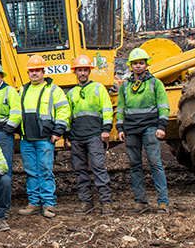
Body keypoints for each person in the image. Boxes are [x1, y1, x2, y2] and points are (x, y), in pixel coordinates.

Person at [117, 48, 171, 214]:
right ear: (131, 66)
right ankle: (140, 202)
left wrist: (161, 127)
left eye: (141, 63)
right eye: (135, 63)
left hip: (150, 128)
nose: (138, 66)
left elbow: (163, 106)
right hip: (131, 129)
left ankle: (163, 202)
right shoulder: (125, 86)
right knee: (135, 166)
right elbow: (121, 108)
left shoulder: (155, 83)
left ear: (146, 64)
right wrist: (120, 128)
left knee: (155, 164)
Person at [17, 55, 70, 219]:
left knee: (45, 171)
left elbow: (63, 111)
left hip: (45, 139)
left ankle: (48, 204)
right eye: (31, 71)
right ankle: (34, 203)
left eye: (37, 70)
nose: (34, 74)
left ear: (43, 71)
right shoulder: (23, 90)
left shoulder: (53, 90)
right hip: (27, 139)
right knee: (31, 172)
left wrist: (57, 132)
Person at [65, 55, 114, 215]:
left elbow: (107, 109)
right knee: (80, 171)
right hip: (76, 137)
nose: (83, 73)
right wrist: (67, 135)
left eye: (85, 70)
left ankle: (106, 203)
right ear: (75, 72)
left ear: (89, 71)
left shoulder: (99, 88)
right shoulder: (71, 93)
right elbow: (68, 116)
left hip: (94, 135)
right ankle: (86, 202)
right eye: (80, 70)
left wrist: (106, 129)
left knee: (99, 168)